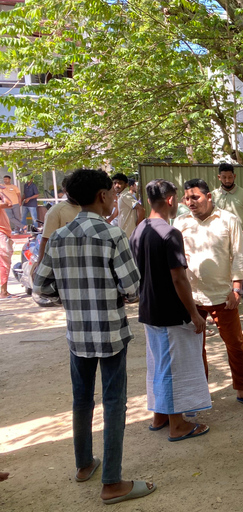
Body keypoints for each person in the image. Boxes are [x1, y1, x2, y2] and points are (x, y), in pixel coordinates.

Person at [32, 168, 155, 504]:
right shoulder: (113, 235)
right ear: (102, 195)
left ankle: (84, 465)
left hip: (78, 334)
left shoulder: (58, 238)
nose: (115, 198)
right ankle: (112, 482)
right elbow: (132, 288)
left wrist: (68, 298)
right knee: (114, 403)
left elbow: (39, 287)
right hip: (111, 332)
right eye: (112, 193)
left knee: (81, 399)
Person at [129, 179, 212, 441]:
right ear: (170, 200)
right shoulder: (169, 233)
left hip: (149, 308)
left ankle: (159, 416)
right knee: (172, 368)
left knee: (157, 364)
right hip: (169, 311)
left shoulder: (139, 229)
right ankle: (177, 425)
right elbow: (178, 279)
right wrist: (194, 314)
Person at [174, 178, 243, 409]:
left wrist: (236, 291)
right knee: (195, 350)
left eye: (196, 197)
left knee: (235, 345)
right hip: (191, 298)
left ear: (209, 196)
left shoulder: (228, 220)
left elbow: (238, 255)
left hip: (224, 298)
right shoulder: (180, 222)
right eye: (187, 198)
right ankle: (200, 393)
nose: (191, 202)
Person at [212, 162, 243, 325]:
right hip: (218, 243)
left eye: (230, 176)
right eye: (224, 177)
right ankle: (218, 310)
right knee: (219, 274)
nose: (227, 179)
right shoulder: (213, 196)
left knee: (242, 275)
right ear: (219, 177)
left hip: (240, 242)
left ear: (234, 176)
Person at [34, 175, 81, 273]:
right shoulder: (56, 211)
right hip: (64, 265)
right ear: (65, 191)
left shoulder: (89, 209)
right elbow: (45, 240)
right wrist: (40, 267)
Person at [112, 173, 144, 238]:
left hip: (129, 234)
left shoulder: (125, 195)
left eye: (120, 183)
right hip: (124, 233)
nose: (117, 185)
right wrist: (108, 220)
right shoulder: (120, 196)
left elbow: (141, 209)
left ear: (126, 185)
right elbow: (118, 211)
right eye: (115, 183)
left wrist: (137, 226)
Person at [0, 186, 13, 298]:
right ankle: (4, 292)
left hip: (3, 234)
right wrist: (1, 192)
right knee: (5, 262)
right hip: (1, 234)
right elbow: (9, 203)